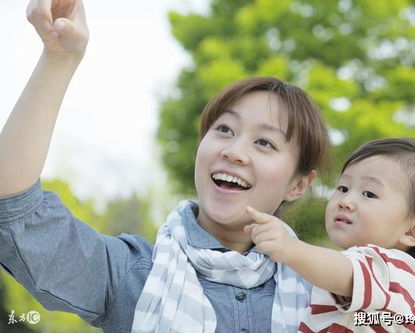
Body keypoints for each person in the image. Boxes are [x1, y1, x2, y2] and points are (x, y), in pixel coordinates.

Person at [0, 1, 332, 332]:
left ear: (299, 184)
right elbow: (16, 211)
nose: (234, 151)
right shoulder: (134, 273)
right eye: (224, 130)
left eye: (264, 143)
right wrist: (59, 58)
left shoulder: (331, 292)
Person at [245, 137, 415, 332]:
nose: (346, 202)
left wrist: (290, 248)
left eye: (369, 194)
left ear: (413, 230)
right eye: (342, 188)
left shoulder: (392, 274)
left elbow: (346, 271)